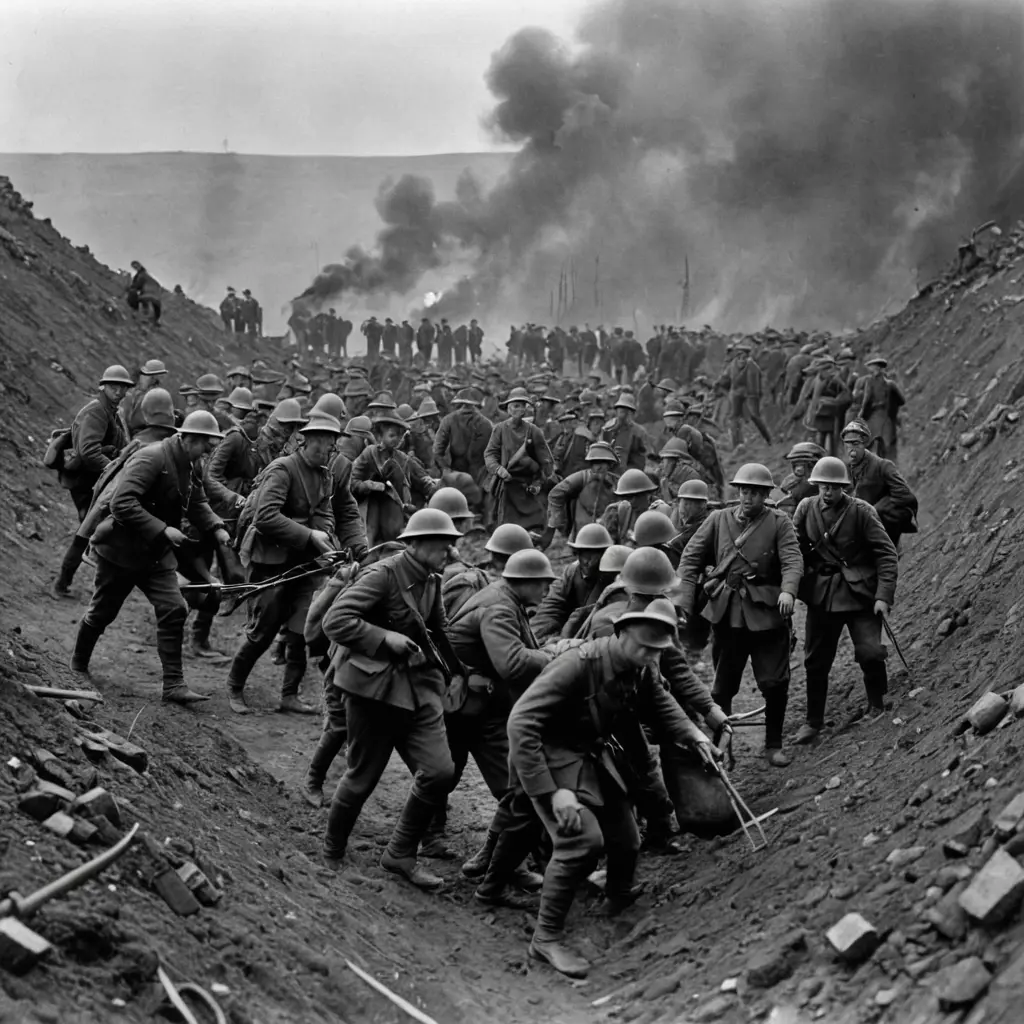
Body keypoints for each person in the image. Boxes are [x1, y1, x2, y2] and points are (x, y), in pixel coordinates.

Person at [507, 599, 717, 978]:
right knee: (581, 841)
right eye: (644, 647)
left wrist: (695, 735)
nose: (650, 656)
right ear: (621, 634)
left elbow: (661, 704)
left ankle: (617, 895)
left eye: (657, 650)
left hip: (592, 755)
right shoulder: (578, 664)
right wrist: (553, 792)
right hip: (550, 757)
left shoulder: (640, 668)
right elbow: (521, 723)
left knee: (627, 839)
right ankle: (546, 938)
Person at [320, 509, 465, 890]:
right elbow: (334, 621)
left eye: (450, 544)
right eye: (442, 544)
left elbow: (438, 629)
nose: (449, 552)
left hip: (419, 687)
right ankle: (332, 851)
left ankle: (400, 852)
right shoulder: (382, 575)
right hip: (373, 692)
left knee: (439, 772)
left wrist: (458, 672)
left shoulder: (432, 579)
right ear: (415, 544)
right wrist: (384, 638)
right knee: (362, 777)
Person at [70, 411, 228, 704]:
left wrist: (216, 527)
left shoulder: (190, 464)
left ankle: (174, 685)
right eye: (205, 444)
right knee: (102, 612)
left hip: (156, 555)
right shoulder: (151, 458)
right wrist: (163, 529)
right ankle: (77, 664)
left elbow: (196, 501)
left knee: (174, 608)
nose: (207, 451)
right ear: (189, 438)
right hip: (121, 551)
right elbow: (121, 503)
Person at [443, 549, 555, 892]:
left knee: (444, 775)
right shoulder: (500, 607)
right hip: (478, 709)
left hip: (471, 704)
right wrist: (553, 655)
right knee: (517, 788)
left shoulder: (504, 599)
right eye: (543, 584)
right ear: (526, 581)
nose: (547, 591)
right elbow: (512, 663)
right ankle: (507, 867)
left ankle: (488, 857)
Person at [676, 463, 803, 767]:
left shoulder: (779, 522)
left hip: (767, 613)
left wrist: (788, 591)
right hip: (727, 614)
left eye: (755, 493)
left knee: (774, 682)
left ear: (765, 495)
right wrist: (684, 602)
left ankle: (773, 744)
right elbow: (690, 559)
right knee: (722, 688)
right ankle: (723, 748)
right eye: (744, 491)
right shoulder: (718, 519)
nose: (748, 497)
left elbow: (792, 560)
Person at [225, 412, 343, 715]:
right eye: (323, 443)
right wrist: (309, 534)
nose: (328, 450)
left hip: (304, 561)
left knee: (300, 629)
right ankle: (234, 687)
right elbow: (265, 517)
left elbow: (326, 512)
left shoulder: (324, 474)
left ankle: (289, 695)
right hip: (271, 561)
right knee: (264, 628)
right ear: (307, 440)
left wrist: (325, 534)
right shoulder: (283, 469)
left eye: (331, 444)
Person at [792, 456, 899, 742]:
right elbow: (794, 550)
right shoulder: (806, 508)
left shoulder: (862, 511)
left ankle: (876, 705)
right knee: (815, 660)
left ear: (844, 487)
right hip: (823, 594)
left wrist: (883, 597)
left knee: (871, 651)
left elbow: (886, 554)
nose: (827, 492)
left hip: (860, 594)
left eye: (833, 487)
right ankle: (813, 721)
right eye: (822, 486)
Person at [57, 365, 133, 524]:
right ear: (104, 387)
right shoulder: (97, 411)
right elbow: (89, 451)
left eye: (123, 388)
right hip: (86, 477)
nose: (118, 392)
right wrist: (114, 471)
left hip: (94, 476)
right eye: (114, 387)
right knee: (91, 524)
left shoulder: (110, 410)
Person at [350, 411, 437, 546]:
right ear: (380, 436)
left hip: (394, 514)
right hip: (370, 510)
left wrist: (431, 486)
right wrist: (367, 485)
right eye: (392, 435)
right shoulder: (369, 454)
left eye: (400, 436)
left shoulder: (403, 459)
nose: (396, 439)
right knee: (368, 539)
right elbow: (352, 480)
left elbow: (422, 478)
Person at [484, 387, 554, 531]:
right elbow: (490, 454)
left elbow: (546, 461)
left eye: (522, 406)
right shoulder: (500, 429)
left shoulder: (534, 431)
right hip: (507, 485)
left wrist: (538, 482)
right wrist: (498, 469)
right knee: (502, 526)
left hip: (527, 488)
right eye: (515, 406)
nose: (519, 409)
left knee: (537, 523)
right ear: (508, 409)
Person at [532, 523, 614, 642]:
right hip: (572, 632)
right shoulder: (572, 572)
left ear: (605, 553)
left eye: (593, 554)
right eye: (582, 553)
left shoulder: (613, 575)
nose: (586, 561)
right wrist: (536, 635)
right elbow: (552, 605)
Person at [842, 420, 917, 546]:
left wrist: (877, 509)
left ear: (865, 444)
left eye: (856, 443)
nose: (851, 449)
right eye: (847, 444)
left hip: (883, 522)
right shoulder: (846, 469)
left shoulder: (883, 466)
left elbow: (904, 495)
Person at [543, 441, 620, 543]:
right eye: (595, 462)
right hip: (581, 533)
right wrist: (559, 523)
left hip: (608, 534)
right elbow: (555, 494)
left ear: (610, 464)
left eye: (602, 462)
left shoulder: (616, 482)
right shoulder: (581, 478)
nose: (598, 467)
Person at [717, 343, 771, 447]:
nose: (741, 359)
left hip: (750, 394)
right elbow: (725, 378)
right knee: (734, 418)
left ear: (747, 355)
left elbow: (756, 384)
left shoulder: (753, 367)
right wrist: (719, 385)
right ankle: (736, 443)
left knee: (755, 416)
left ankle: (768, 439)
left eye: (743, 356)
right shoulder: (732, 365)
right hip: (736, 392)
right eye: (739, 356)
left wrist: (756, 396)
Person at [858, 355, 905, 462]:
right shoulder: (891, 384)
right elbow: (901, 401)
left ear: (877, 369)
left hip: (875, 417)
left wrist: (861, 415)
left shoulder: (870, 382)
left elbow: (866, 400)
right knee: (889, 448)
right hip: (888, 418)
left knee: (868, 444)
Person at [598, 468, 657, 545]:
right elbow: (604, 543)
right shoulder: (617, 512)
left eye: (637, 496)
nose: (632, 501)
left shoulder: (658, 512)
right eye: (628, 497)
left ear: (648, 494)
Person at [121, 359, 169, 438]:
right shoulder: (131, 394)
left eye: (146, 375)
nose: (143, 378)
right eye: (143, 375)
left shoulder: (156, 395)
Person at [777, 442, 826, 517]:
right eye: (796, 464)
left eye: (801, 465)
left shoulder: (827, 483)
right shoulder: (790, 483)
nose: (798, 469)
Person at [602, 393, 648, 471]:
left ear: (633, 413)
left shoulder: (639, 432)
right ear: (616, 411)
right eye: (622, 409)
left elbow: (643, 456)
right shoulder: (608, 428)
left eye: (628, 410)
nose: (624, 414)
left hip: (631, 471)